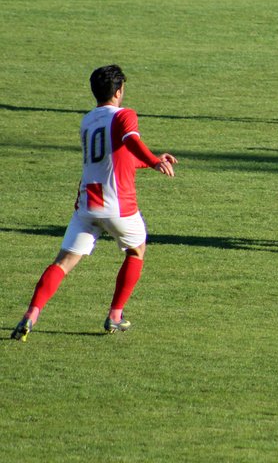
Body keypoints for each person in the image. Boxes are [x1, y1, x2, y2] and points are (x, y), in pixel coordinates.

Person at [10, 65, 177, 341]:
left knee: (63, 262)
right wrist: (154, 161)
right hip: (118, 204)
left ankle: (31, 314)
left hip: (87, 204)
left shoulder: (87, 121)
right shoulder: (124, 115)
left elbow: (117, 159)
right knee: (136, 251)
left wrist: (151, 162)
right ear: (119, 91)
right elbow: (131, 142)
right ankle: (115, 316)